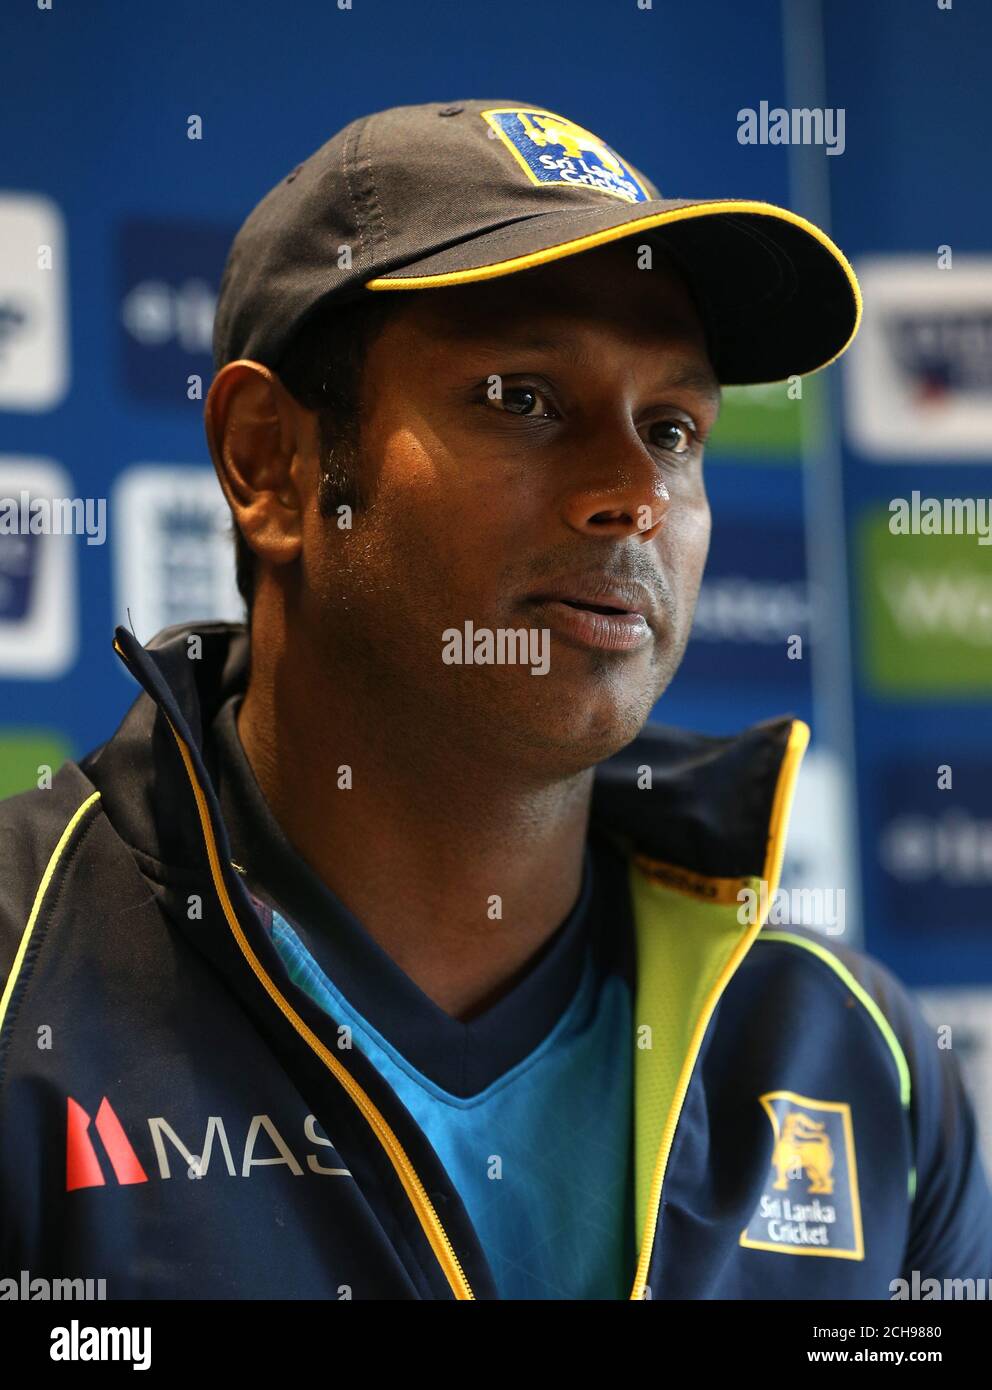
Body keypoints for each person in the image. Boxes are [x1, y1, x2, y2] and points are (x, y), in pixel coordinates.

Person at [1, 99, 989, 1301]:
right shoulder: (24, 988)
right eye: (520, 398)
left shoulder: (856, 1064)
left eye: (672, 428)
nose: (635, 493)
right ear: (271, 462)